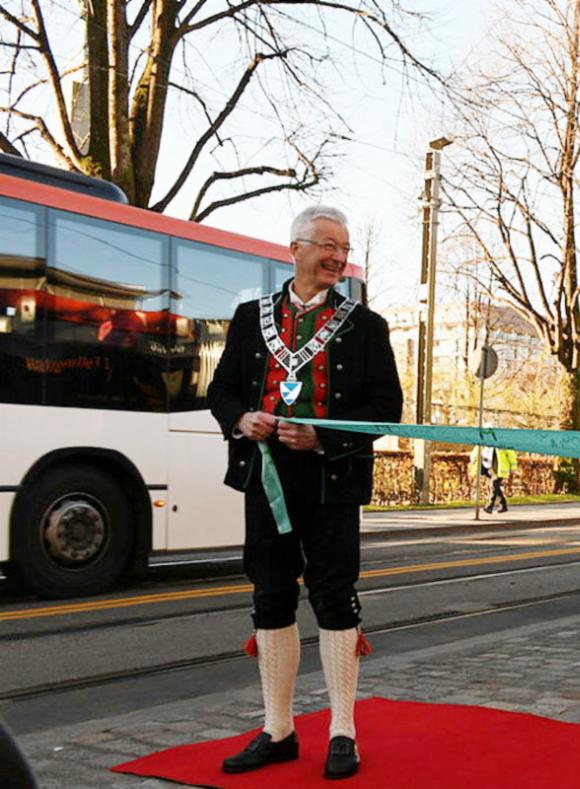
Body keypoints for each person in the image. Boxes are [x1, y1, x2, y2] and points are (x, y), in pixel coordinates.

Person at [209, 206, 402, 780]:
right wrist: (241, 418)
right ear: (295, 249)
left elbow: (386, 409)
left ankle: (343, 731)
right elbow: (220, 390)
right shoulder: (250, 317)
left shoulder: (366, 326)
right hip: (264, 476)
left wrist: (324, 436)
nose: (338, 258)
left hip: (331, 478)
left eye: (344, 248)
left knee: (334, 596)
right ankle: (278, 730)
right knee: (270, 594)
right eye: (327, 246)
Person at [470, 442, 518, 513]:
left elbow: (511, 454)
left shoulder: (501, 443)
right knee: (496, 486)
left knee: (493, 485)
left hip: (499, 469)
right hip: (488, 469)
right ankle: (503, 505)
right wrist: (473, 460)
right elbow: (475, 452)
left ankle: (489, 506)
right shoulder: (483, 443)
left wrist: (513, 466)